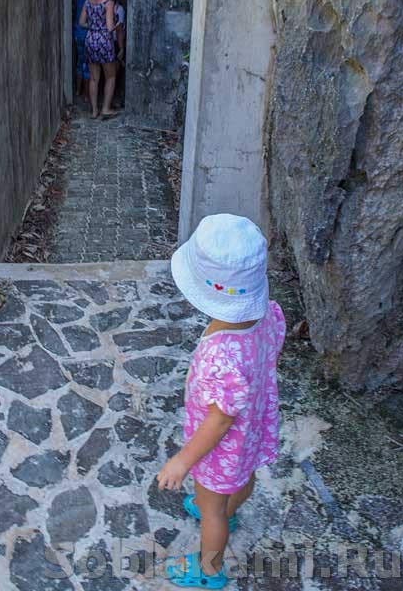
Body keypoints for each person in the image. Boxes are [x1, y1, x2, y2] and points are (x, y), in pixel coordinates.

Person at [157, 214, 286, 589]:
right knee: (244, 478)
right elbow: (267, 358)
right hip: (254, 428)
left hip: (221, 448)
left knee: (210, 510)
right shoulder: (268, 316)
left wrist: (183, 460)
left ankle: (208, 569)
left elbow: (220, 421)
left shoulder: (222, 356)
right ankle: (229, 509)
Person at [79, 0, 118, 119]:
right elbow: (109, 27)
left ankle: (94, 111)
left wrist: (93, 26)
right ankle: (106, 109)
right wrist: (117, 24)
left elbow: (81, 22)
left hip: (90, 39)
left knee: (94, 78)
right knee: (110, 76)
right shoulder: (109, 3)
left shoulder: (88, 0)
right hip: (104, 41)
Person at [74, 0, 95, 98]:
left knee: (79, 63)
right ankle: (87, 96)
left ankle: (77, 91)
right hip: (88, 33)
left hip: (78, 32)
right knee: (88, 67)